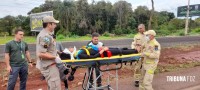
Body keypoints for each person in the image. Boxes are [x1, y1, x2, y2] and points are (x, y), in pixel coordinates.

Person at [36, 16, 62, 90]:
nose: (55, 26)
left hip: (50, 65)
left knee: (52, 86)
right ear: (49, 24)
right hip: (49, 66)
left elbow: (49, 50)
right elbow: (41, 53)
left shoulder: (47, 35)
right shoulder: (46, 37)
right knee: (55, 87)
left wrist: (58, 53)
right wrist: (55, 57)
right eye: (54, 24)